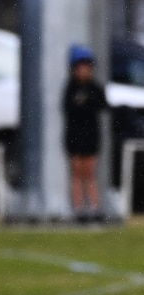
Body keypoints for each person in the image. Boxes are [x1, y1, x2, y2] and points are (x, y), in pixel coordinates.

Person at [63, 44, 107, 224]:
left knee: (90, 172)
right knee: (77, 172)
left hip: (91, 136)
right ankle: (79, 209)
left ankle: (95, 208)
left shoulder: (95, 88)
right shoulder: (70, 89)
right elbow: (69, 109)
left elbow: (101, 106)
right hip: (75, 136)